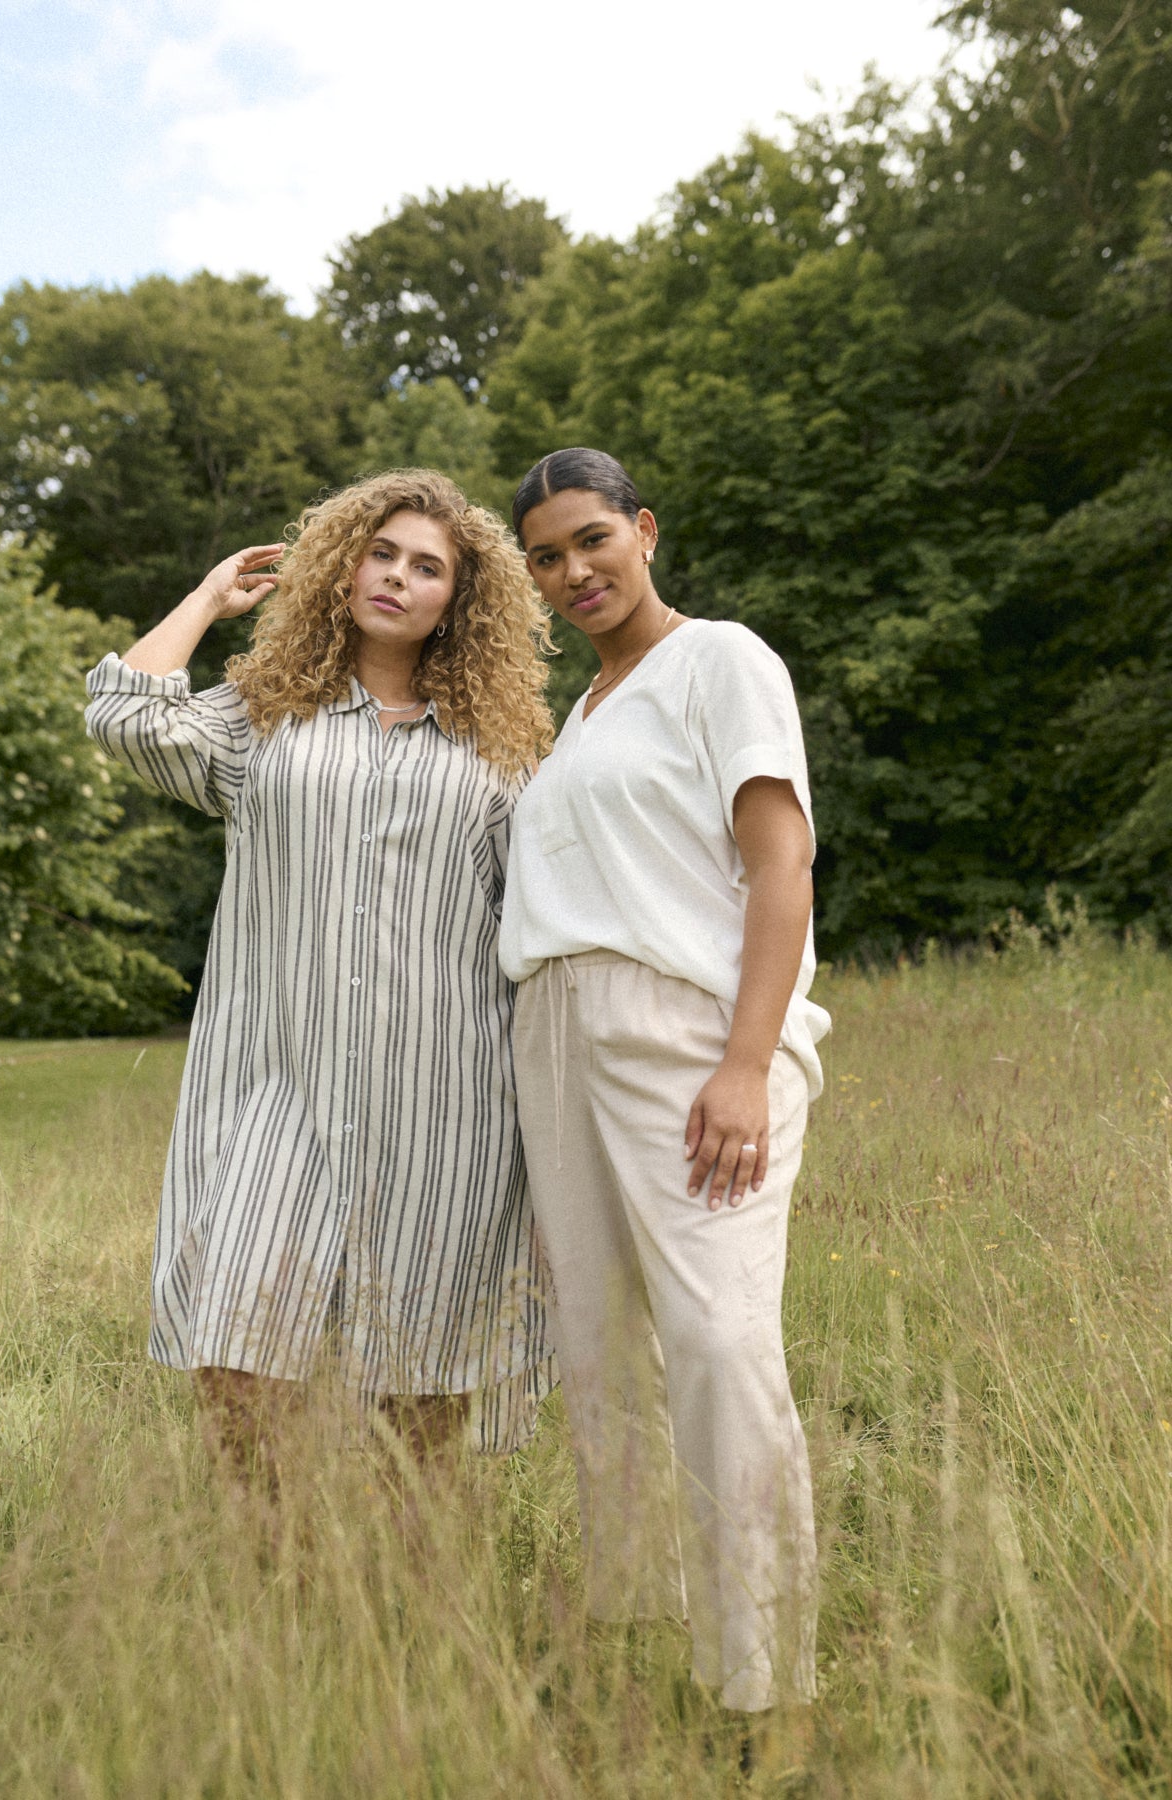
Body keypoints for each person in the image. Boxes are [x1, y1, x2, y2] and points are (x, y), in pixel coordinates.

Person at [85, 468, 554, 1488]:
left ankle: (397, 1575)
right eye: (380, 553)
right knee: (237, 1356)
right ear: (343, 569)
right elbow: (123, 713)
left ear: (456, 601)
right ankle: (279, 1561)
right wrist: (208, 598)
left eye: (425, 567)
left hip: (446, 1108)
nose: (397, 577)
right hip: (279, 1090)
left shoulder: (500, 754)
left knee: (420, 1397)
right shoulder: (266, 715)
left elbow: (540, 923)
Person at [499, 447, 831, 1722]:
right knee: (601, 1355)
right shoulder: (580, 714)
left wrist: (746, 1063)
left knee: (718, 1341)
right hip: (554, 1034)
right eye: (546, 557)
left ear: (643, 530)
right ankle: (648, 1638)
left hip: (686, 1036)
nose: (574, 570)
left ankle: (766, 1689)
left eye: (592, 538)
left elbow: (780, 863)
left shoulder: (721, 660)